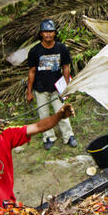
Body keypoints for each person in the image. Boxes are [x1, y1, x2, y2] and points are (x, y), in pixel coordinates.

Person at [26, 18, 76, 149]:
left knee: (62, 111)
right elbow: (31, 72)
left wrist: (67, 87)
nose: (48, 34)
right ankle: (48, 137)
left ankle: (68, 135)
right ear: (41, 33)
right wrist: (29, 91)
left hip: (56, 88)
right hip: (40, 88)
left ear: (55, 33)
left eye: (51, 31)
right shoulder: (35, 51)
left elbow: (66, 67)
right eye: (45, 31)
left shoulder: (61, 48)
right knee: (44, 114)